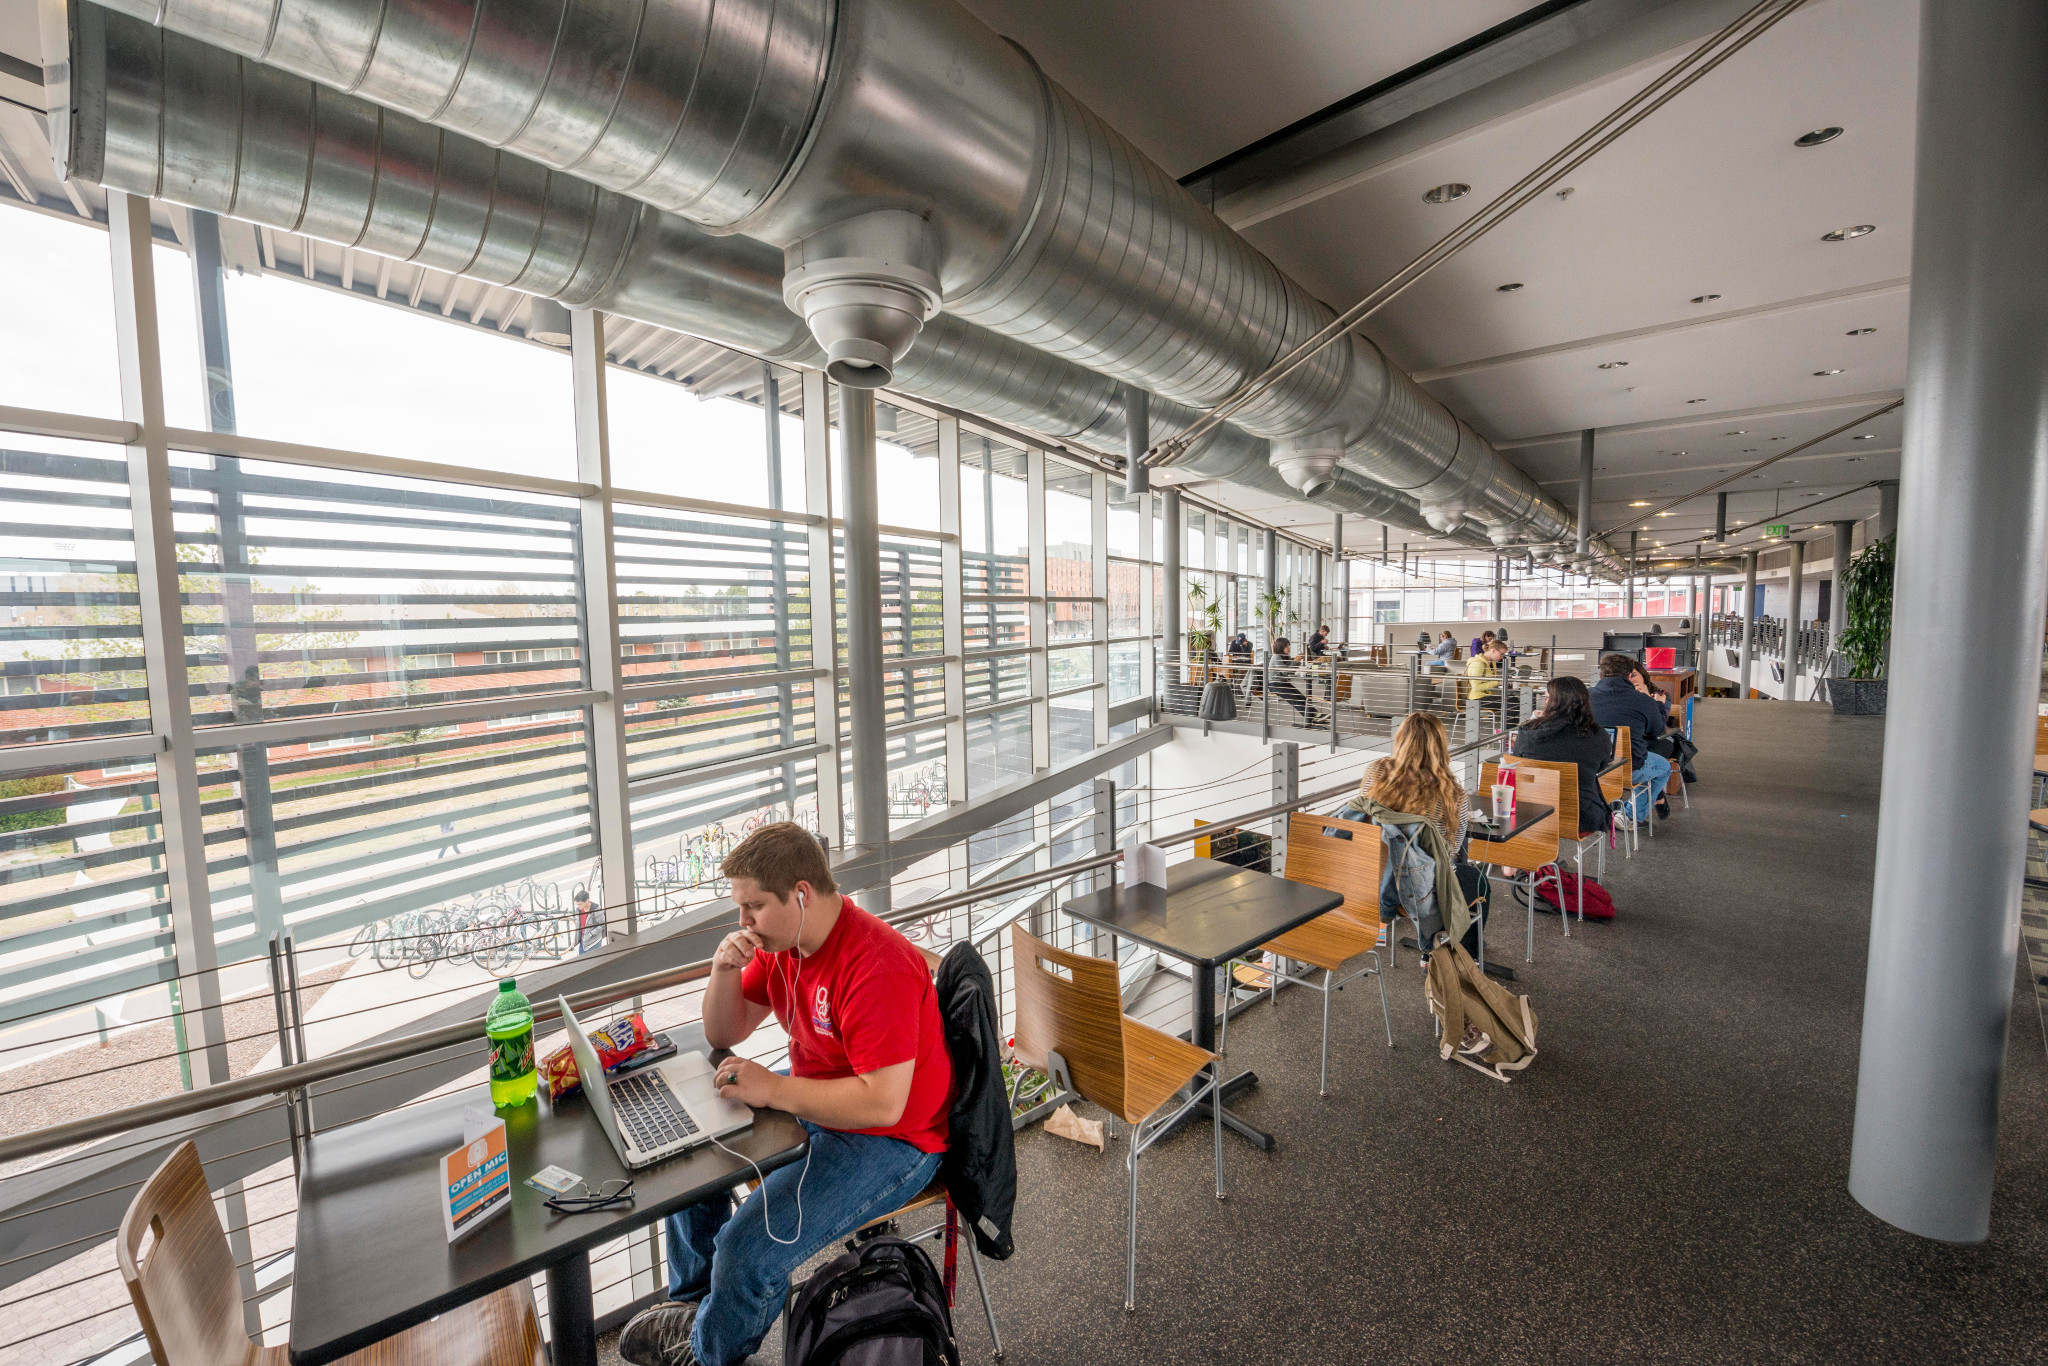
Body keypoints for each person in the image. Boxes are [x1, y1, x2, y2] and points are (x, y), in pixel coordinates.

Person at [618, 824, 954, 1366]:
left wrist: (774, 1088)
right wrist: (723, 970)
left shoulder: (877, 964)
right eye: (740, 908)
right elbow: (724, 1032)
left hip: (893, 1139)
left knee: (747, 1250)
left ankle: (708, 1351)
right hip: (818, 1104)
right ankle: (697, 1309)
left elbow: (882, 1103)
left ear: (801, 894)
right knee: (692, 1157)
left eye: (753, 907)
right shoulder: (784, 945)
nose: (743, 922)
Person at [1347, 712, 1484, 958]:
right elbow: (1450, 851)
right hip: (1418, 891)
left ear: (1400, 740)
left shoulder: (1376, 771)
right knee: (1477, 880)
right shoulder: (1453, 793)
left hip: (1371, 880)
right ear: (1441, 745)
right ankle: (1457, 957)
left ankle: (1435, 947)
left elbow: (1365, 819)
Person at [1509, 676, 1614, 837]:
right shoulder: (1599, 735)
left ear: (1553, 702)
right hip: (1581, 817)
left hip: (1531, 814)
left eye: (1546, 697)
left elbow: (1517, 764)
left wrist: (1535, 721)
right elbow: (1601, 766)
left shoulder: (1528, 732)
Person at [1591, 653, 1673, 825]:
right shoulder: (1643, 701)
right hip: (1629, 768)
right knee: (1663, 767)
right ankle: (1629, 815)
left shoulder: (1584, 697)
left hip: (1591, 767)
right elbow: (1657, 731)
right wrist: (1658, 704)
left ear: (1602, 674)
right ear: (1629, 676)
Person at [1466, 638, 1518, 729]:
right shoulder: (1478, 663)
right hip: (1477, 698)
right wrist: (1497, 682)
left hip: (1486, 695)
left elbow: (1489, 681)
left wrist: (1501, 680)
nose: (1502, 657)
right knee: (1512, 701)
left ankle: (1509, 730)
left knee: (1513, 699)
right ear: (1493, 650)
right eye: (1501, 654)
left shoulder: (1492, 663)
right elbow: (1476, 687)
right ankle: (1507, 731)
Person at [572, 886, 604, 954]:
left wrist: (590, 934)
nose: (578, 906)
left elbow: (602, 925)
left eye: (580, 904)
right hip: (583, 942)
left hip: (594, 943)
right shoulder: (579, 910)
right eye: (577, 904)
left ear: (587, 901)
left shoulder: (596, 910)